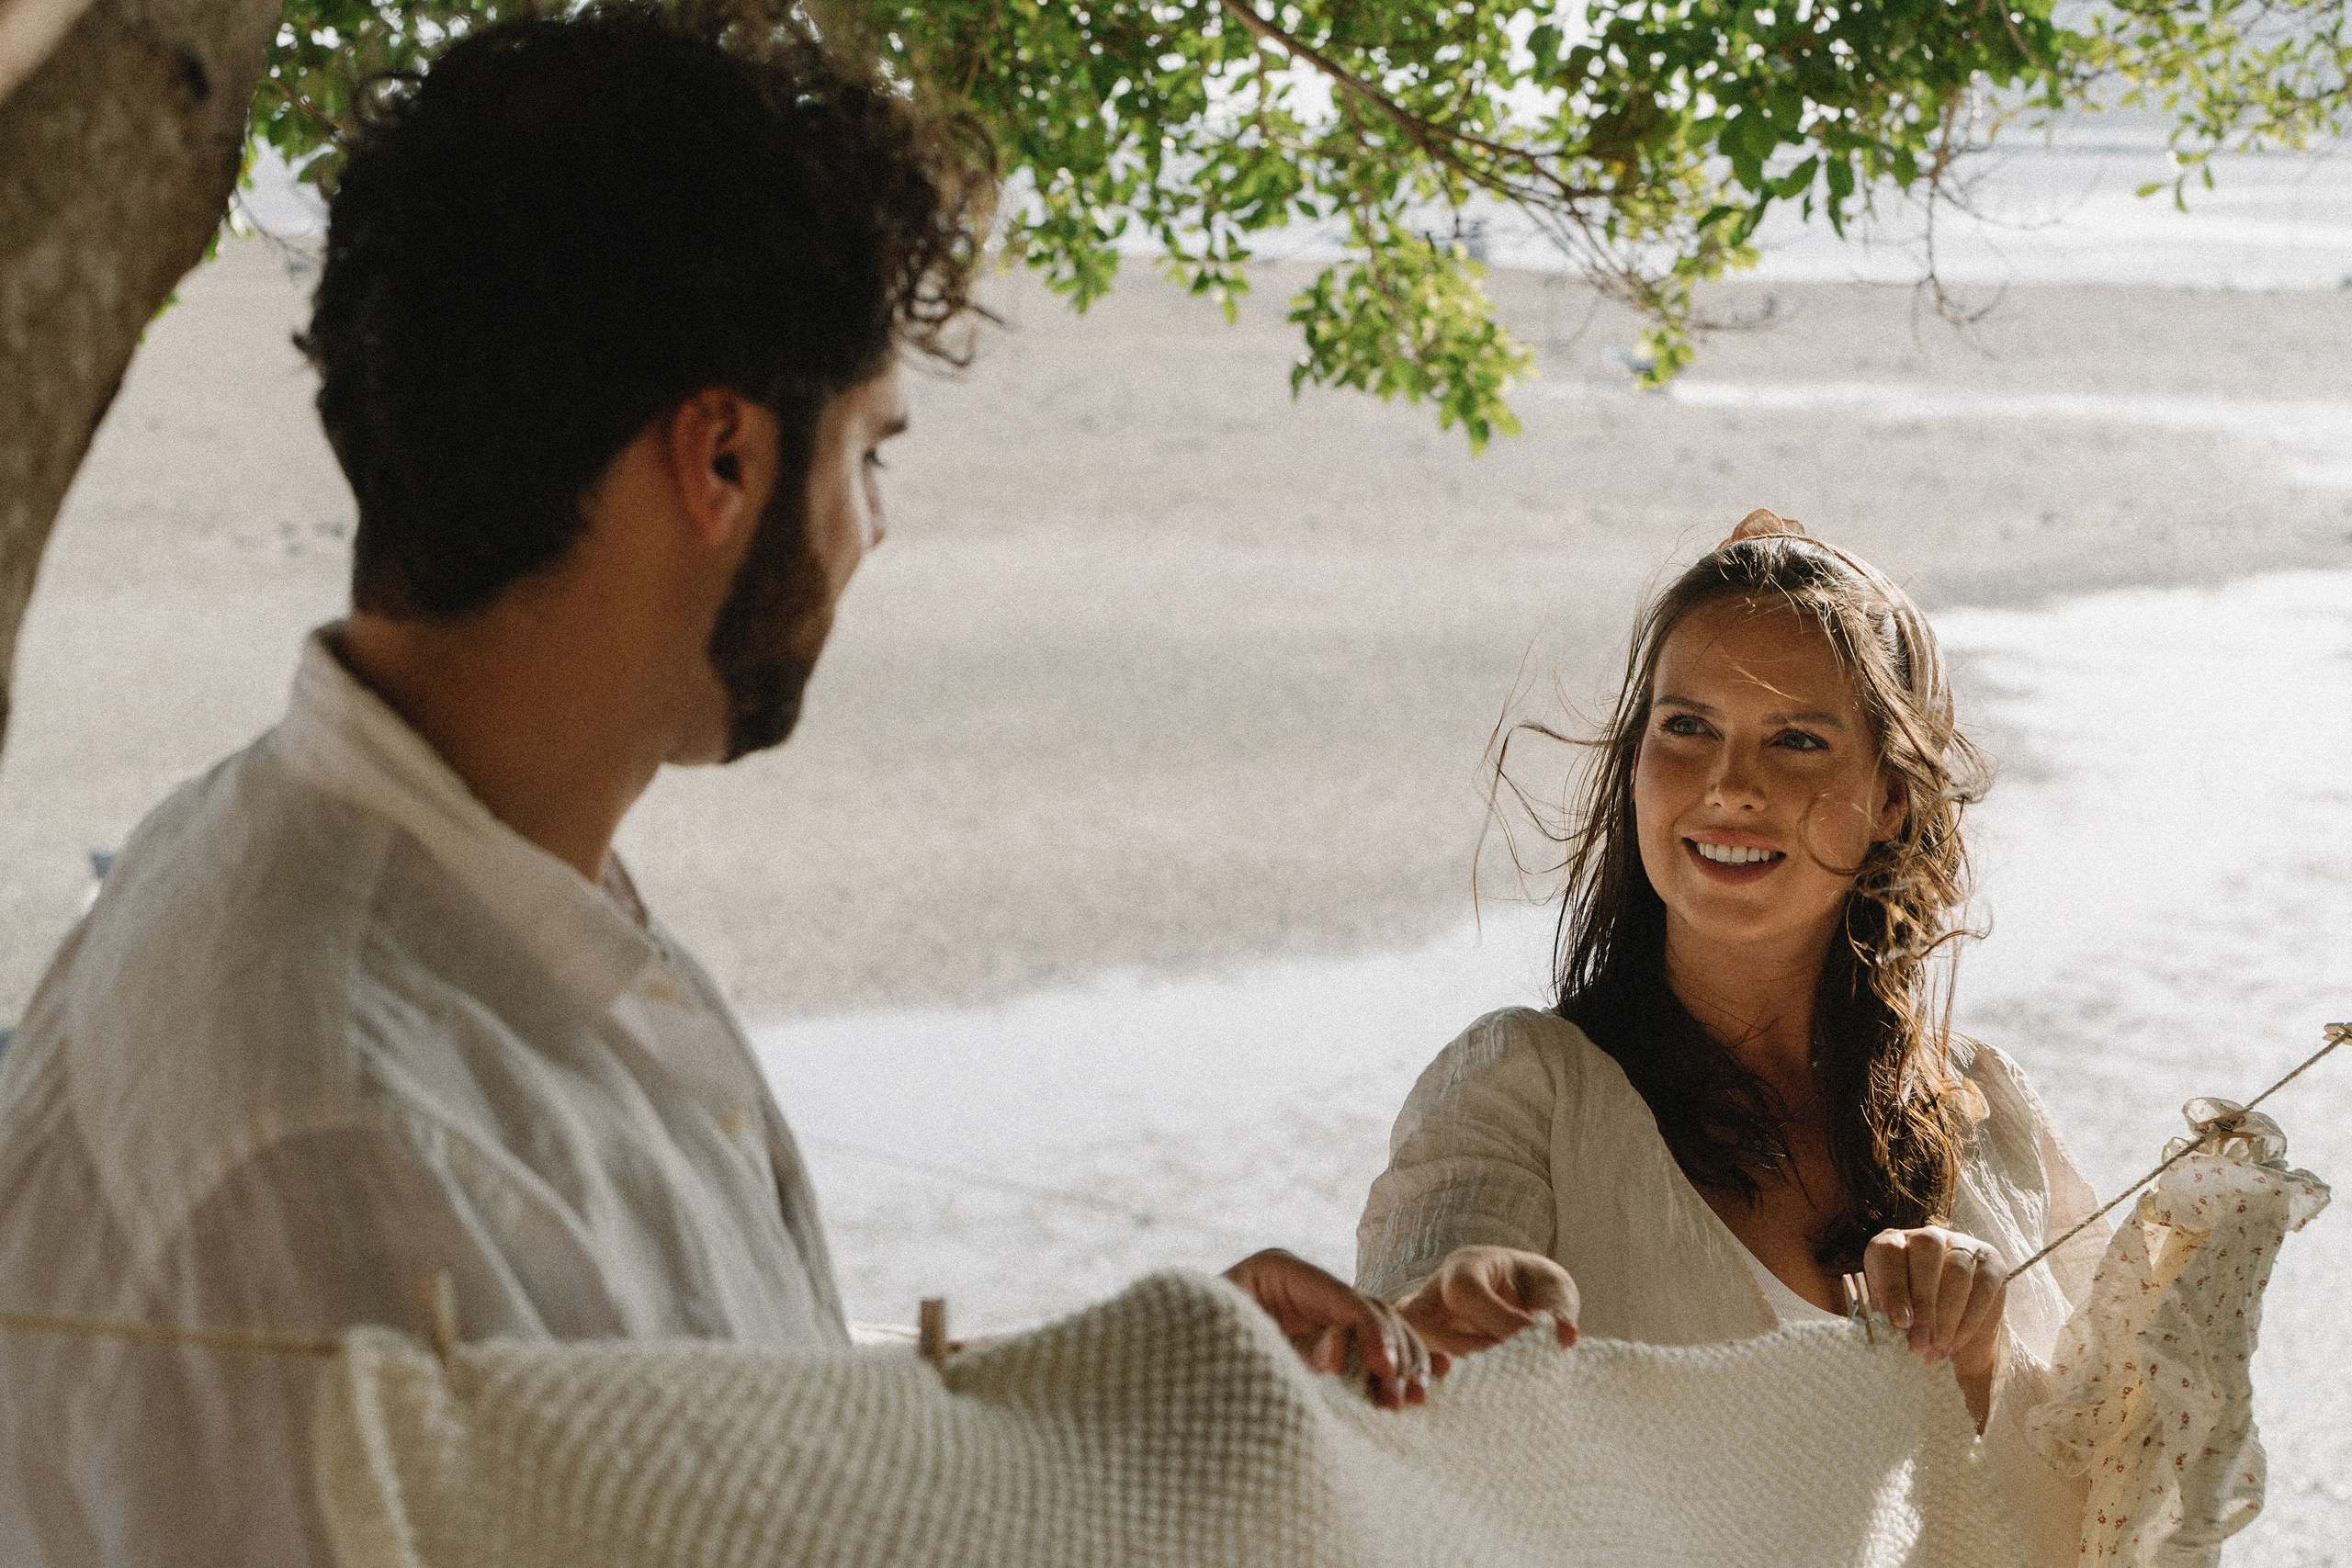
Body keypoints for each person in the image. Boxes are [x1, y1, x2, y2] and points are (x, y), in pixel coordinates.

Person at [0, 11, 1443, 1564]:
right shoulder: (356, 1160)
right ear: (722, 460)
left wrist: (1140, 1397)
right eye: (870, 452)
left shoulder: (391, 872)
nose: (874, 528)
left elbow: (697, 1422)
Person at [1354, 512, 2112, 1568]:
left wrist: (1977, 1365)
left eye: (1796, 740)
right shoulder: (1524, 1089)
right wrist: (1444, 1312)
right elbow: (1396, 1360)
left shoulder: (1988, 1117)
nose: (1728, 786)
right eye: (1685, 727)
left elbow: (2118, 1491)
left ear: (1892, 796)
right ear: (1635, 762)